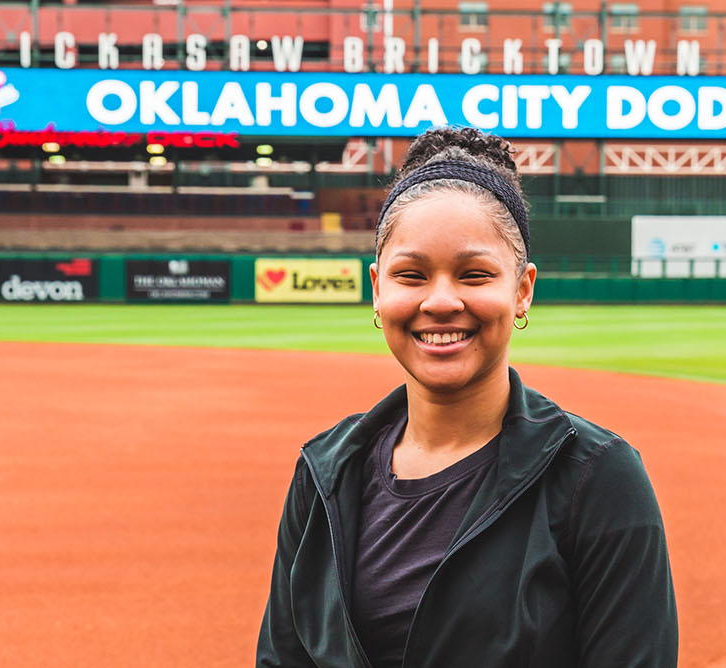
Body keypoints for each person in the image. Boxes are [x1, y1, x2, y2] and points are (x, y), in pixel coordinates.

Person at [256, 126, 678, 668]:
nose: (441, 301)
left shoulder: (598, 477)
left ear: (522, 290)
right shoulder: (323, 472)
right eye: (410, 275)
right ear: (377, 289)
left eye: (474, 274)